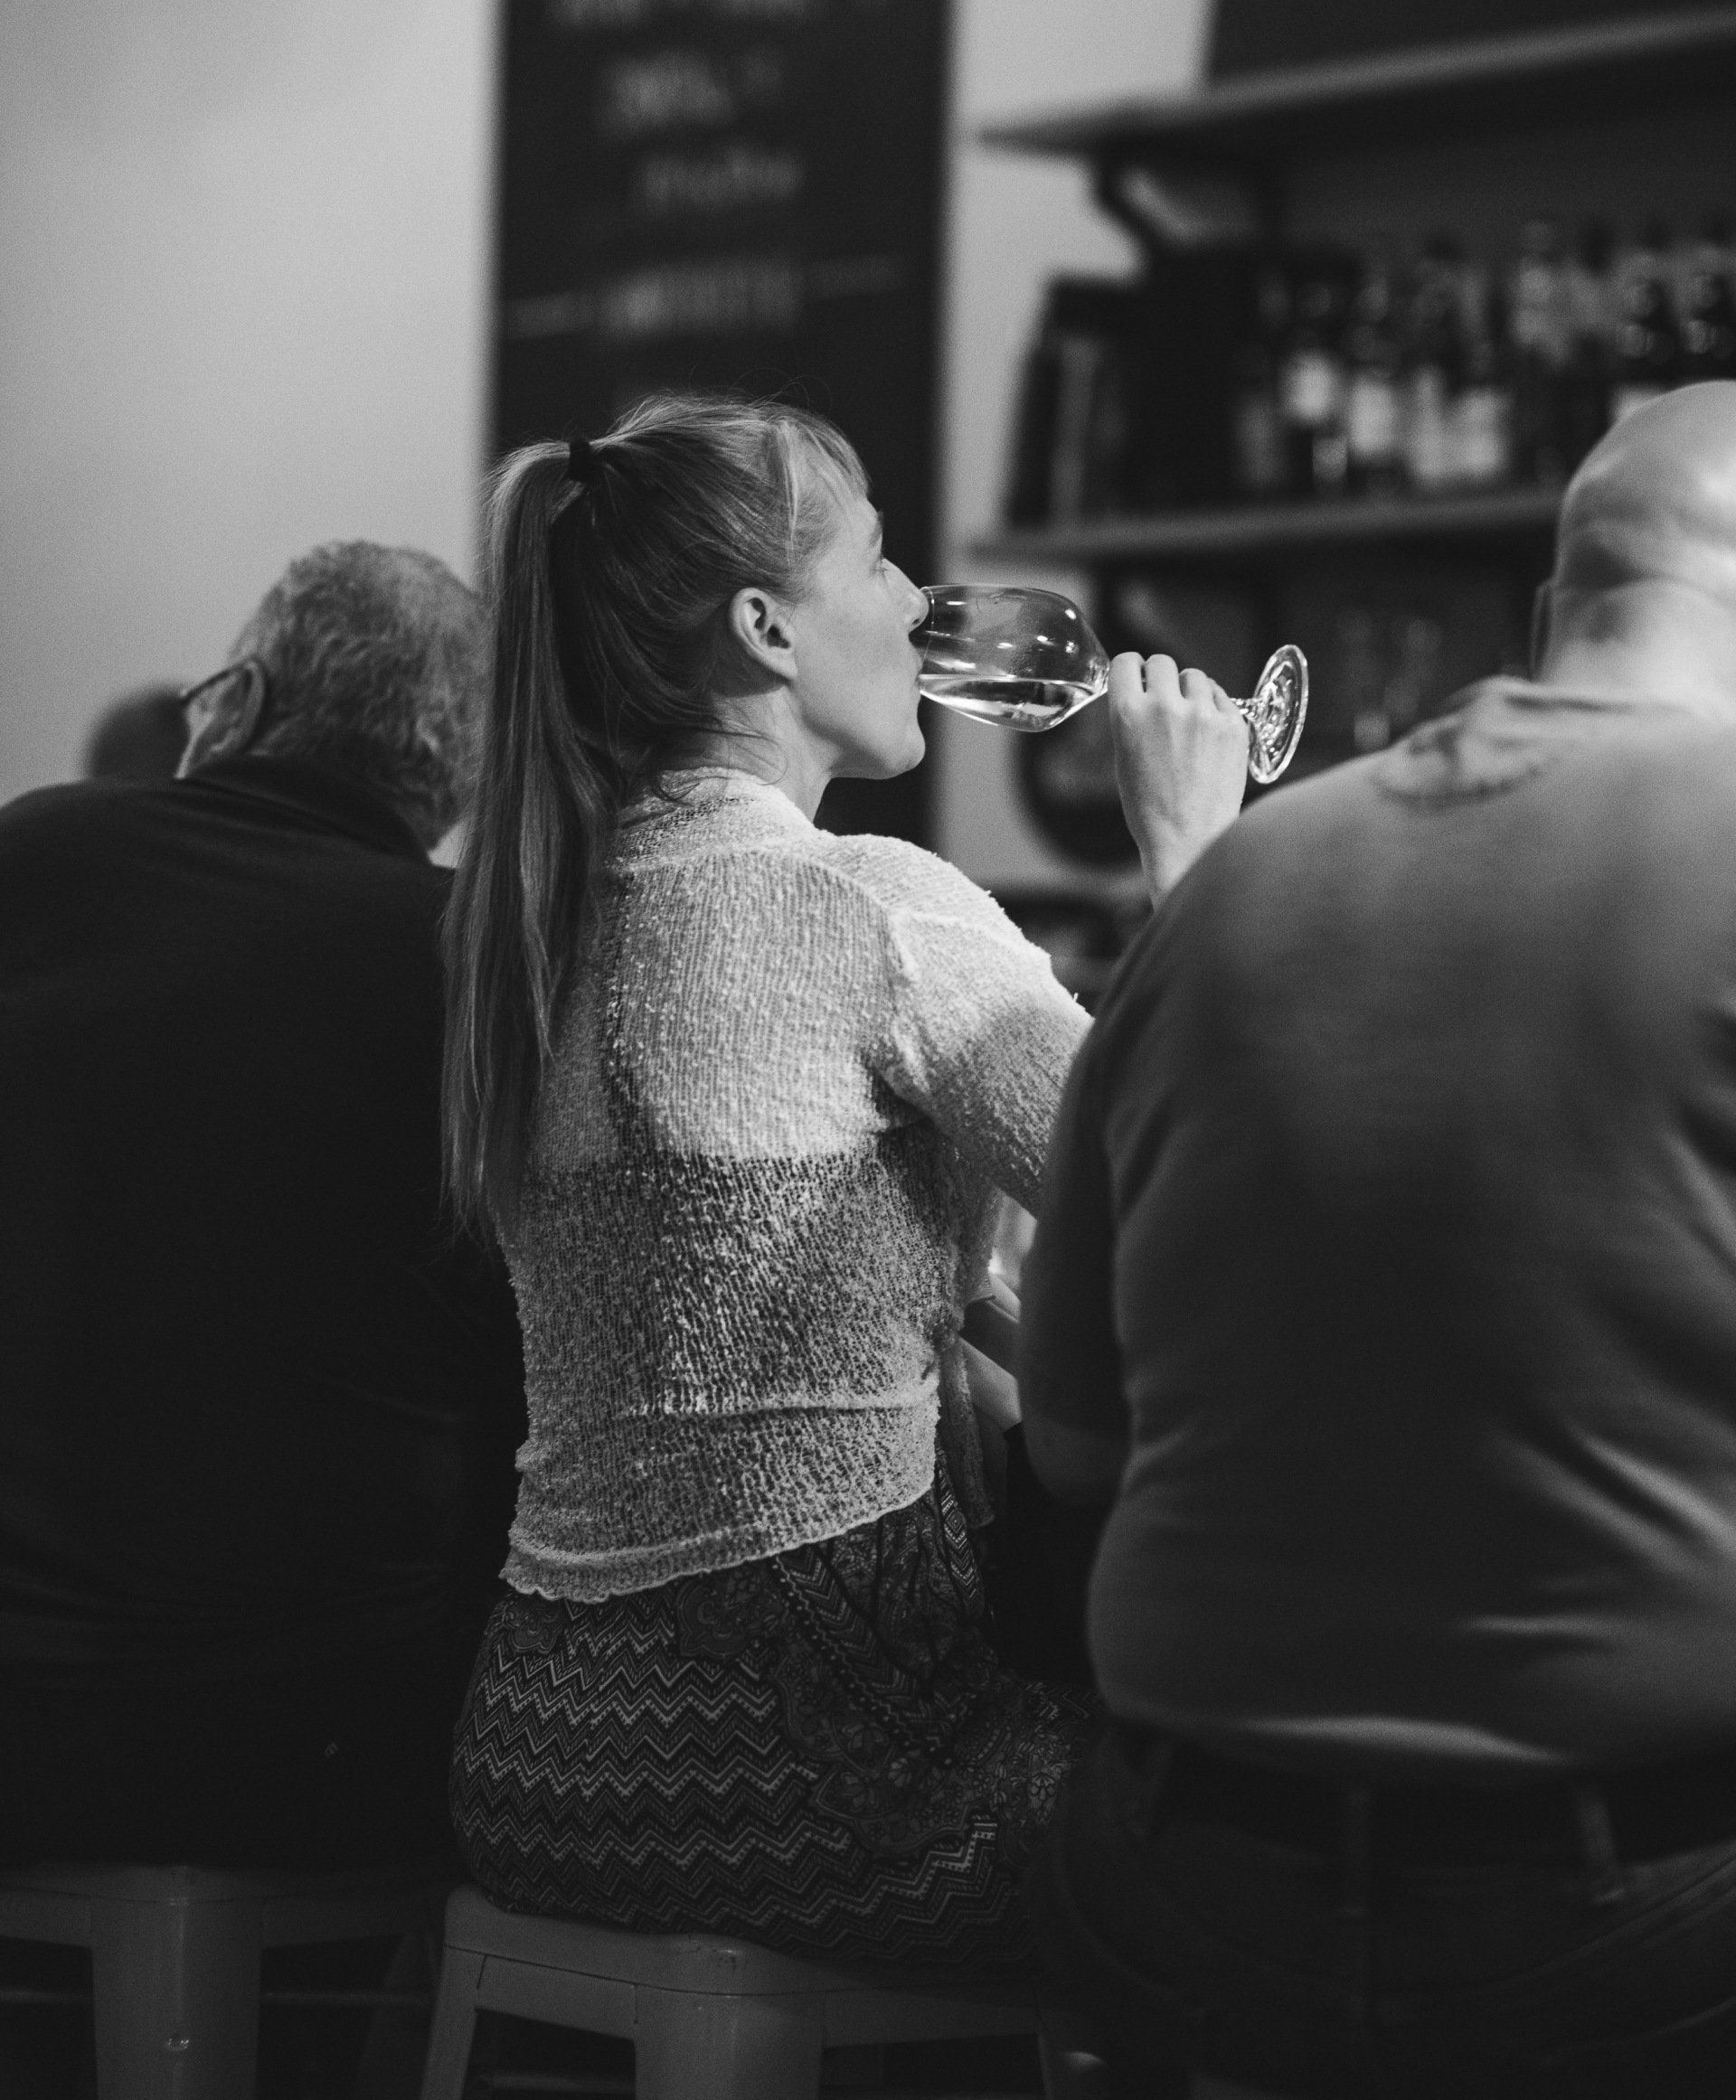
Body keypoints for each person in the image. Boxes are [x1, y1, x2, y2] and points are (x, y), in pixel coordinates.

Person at [441, 391, 1249, 1973]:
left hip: (538, 1762)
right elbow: (1209, 1201)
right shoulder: (870, 907)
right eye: (879, 562)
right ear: (767, 629)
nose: (913, 602)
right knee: (1271, 1819)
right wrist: (1200, 864)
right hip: (835, 1781)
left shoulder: (533, 930)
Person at [1021, 380, 1736, 2098]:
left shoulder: (1232, 890)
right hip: (1630, 1916)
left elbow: (1074, 1445)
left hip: (1183, 1901)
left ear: (1555, 609)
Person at [0, 542, 525, 1869]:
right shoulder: (481, 958)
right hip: (331, 1728)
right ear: (457, 771)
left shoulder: (34, 860)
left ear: (229, 700)